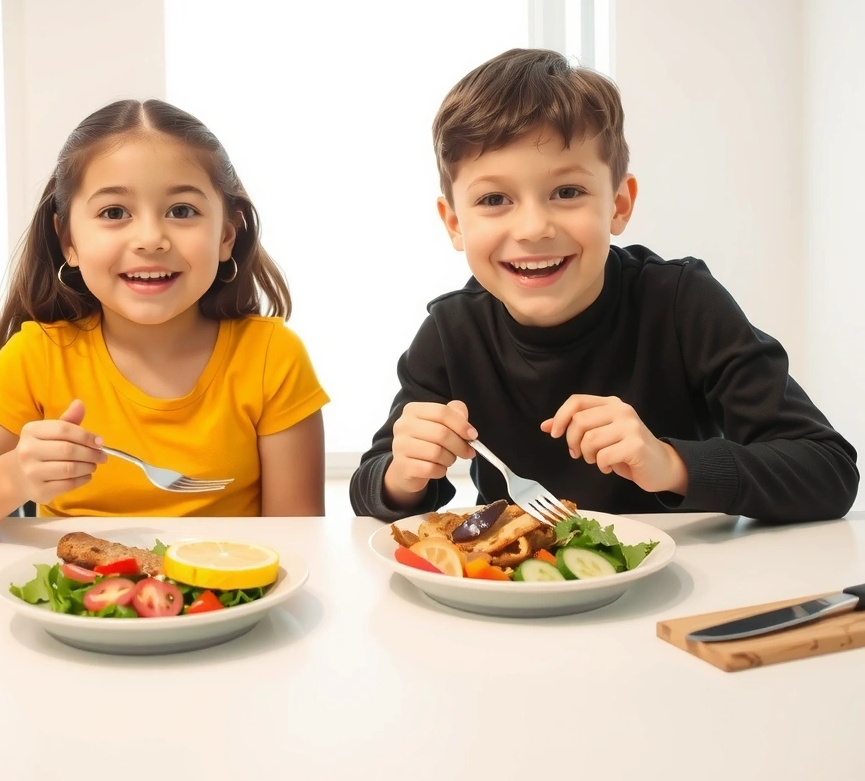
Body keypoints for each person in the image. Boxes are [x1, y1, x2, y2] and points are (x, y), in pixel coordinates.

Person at [350, 48, 859, 524]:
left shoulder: (682, 302)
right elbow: (369, 487)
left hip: (684, 590)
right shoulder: (451, 330)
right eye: (493, 200)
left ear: (618, 204)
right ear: (454, 222)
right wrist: (402, 477)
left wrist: (670, 463)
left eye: (566, 192)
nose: (532, 228)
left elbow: (829, 469)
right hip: (519, 597)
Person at [0, 99, 328, 536]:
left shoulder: (273, 356)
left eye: (182, 211)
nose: (151, 238)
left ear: (226, 236)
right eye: (114, 213)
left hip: (234, 596)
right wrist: (14, 477)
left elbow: (299, 540)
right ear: (68, 242)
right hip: (78, 601)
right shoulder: (38, 354)